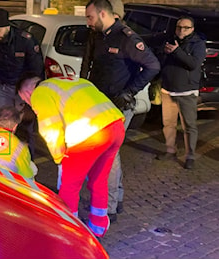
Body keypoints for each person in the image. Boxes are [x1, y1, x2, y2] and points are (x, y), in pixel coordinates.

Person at [16, 73, 125, 238]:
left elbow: (50, 128)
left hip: (89, 133)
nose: (27, 104)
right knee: (99, 180)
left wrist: (59, 157)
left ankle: (70, 232)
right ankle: (98, 225)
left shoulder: (40, 92)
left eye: (24, 100)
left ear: (27, 92)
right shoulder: (69, 81)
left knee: (69, 186)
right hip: (115, 125)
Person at [85, 0, 161, 223]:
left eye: (89, 17)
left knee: (108, 152)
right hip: (100, 102)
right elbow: (92, 66)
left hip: (118, 104)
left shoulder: (127, 38)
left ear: (102, 14)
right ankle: (115, 199)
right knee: (110, 152)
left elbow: (153, 66)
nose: (87, 21)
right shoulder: (99, 35)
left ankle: (108, 205)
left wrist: (130, 91)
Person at [0, 8, 44, 157]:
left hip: (24, 89)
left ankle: (27, 162)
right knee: (2, 124)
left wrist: (31, 100)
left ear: (7, 26)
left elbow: (37, 71)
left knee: (24, 128)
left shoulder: (26, 40)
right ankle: (3, 161)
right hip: (3, 87)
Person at [156, 16, 206, 170]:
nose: (181, 30)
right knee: (168, 124)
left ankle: (190, 155)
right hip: (168, 89)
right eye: (179, 27)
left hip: (187, 92)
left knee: (189, 126)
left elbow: (193, 64)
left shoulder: (197, 44)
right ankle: (170, 150)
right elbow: (161, 61)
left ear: (192, 29)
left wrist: (177, 51)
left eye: (186, 28)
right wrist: (164, 52)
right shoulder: (169, 40)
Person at [80, 0, 125, 79]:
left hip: (116, 84)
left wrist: (130, 89)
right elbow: (87, 58)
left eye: (116, 17)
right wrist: (83, 79)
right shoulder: (95, 33)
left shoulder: (125, 35)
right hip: (97, 80)